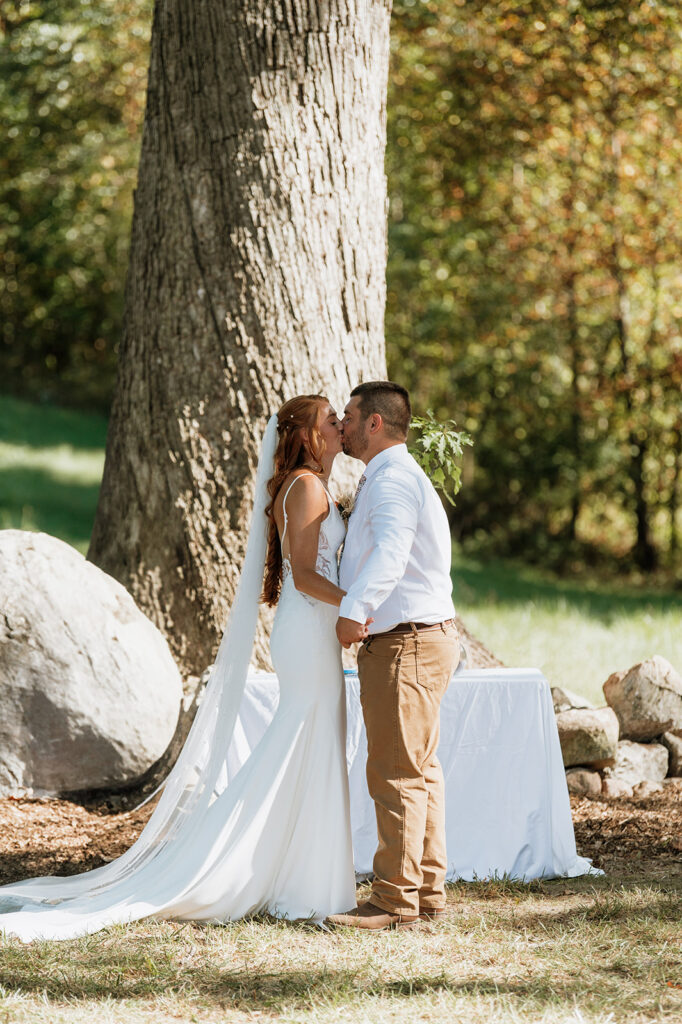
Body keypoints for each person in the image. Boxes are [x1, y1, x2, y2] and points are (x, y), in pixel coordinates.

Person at [0, 395, 363, 941]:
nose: (339, 424)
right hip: (309, 629)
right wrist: (360, 604)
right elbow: (308, 576)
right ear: (307, 436)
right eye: (329, 420)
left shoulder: (315, 486)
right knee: (304, 740)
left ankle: (304, 874)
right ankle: (271, 873)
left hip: (310, 631)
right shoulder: (307, 487)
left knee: (311, 743)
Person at [328, 381, 460, 931]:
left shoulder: (393, 482)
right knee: (420, 770)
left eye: (351, 416)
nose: (344, 425)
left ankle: (393, 901)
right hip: (422, 636)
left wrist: (353, 611)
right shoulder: (391, 477)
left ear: (375, 423)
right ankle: (425, 892)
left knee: (394, 772)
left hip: (405, 640)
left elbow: (390, 553)